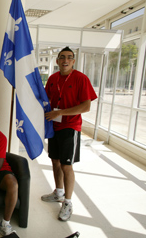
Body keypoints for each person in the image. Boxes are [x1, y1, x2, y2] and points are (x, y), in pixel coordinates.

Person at [42, 46, 97, 221]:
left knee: (66, 165)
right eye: (62, 57)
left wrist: (60, 113)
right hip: (54, 127)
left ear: (73, 61)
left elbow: (86, 106)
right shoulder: (52, 79)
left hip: (70, 127)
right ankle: (58, 192)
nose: (65, 60)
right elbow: (45, 99)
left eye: (69, 57)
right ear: (57, 61)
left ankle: (68, 202)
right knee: (55, 161)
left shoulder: (81, 79)